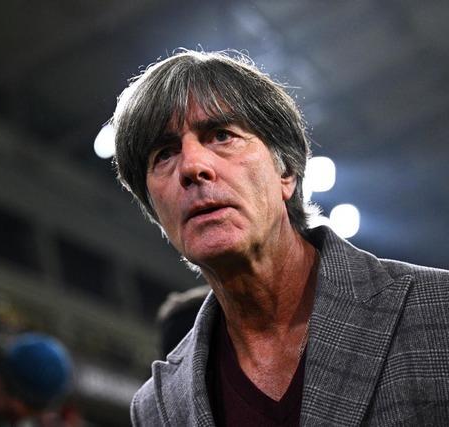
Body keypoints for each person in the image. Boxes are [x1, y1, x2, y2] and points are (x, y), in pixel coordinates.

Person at [112, 49, 449, 426]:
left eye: (221, 136)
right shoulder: (156, 409)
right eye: (163, 155)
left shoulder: (438, 311)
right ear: (155, 209)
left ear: (286, 171)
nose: (192, 166)